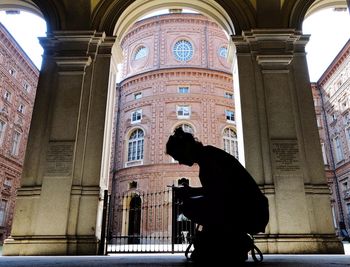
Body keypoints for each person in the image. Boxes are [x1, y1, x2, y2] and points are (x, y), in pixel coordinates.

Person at [166, 127, 269, 263]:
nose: (179, 162)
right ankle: (226, 241)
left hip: (250, 212)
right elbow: (219, 190)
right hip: (253, 209)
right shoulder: (209, 155)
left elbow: (220, 192)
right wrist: (191, 191)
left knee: (189, 206)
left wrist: (190, 192)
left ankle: (226, 242)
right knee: (194, 204)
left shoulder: (209, 159)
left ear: (185, 149)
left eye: (178, 157)